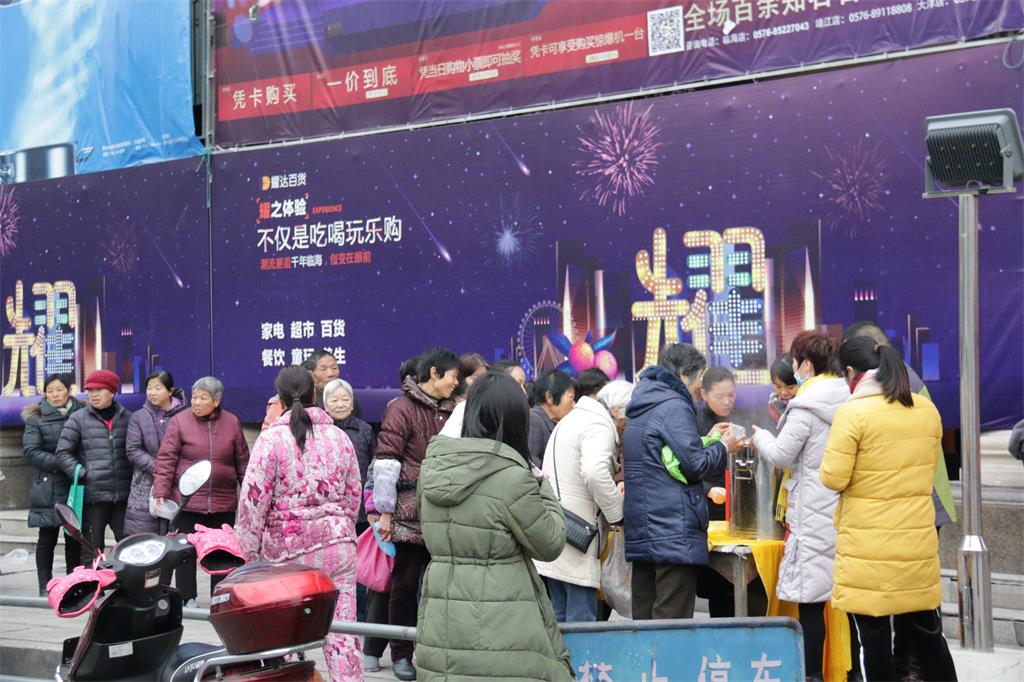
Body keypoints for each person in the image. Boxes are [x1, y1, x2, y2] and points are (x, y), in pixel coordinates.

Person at [416, 371, 573, 681]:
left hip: (442, 623)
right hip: (503, 629)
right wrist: (541, 484)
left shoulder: (432, 470)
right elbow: (551, 543)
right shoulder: (513, 478)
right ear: (515, 420)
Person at [821, 336, 957, 682]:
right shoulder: (925, 409)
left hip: (869, 546)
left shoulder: (853, 412)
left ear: (850, 371)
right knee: (928, 634)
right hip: (915, 542)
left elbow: (833, 478)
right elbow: (928, 470)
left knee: (874, 639)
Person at [237, 366, 363, 682]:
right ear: (315, 394)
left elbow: (252, 504)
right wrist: (340, 528)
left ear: (279, 400)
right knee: (344, 634)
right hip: (338, 550)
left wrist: (250, 557)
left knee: (287, 639)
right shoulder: (339, 437)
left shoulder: (270, 440)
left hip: (287, 557)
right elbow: (353, 494)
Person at [750, 331, 848, 680]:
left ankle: (812, 675)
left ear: (806, 365)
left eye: (794, 362)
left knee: (811, 603)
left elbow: (781, 455)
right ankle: (849, 672)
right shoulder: (847, 396)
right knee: (847, 604)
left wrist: (760, 436)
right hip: (842, 508)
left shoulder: (805, 406)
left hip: (812, 512)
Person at [622, 344, 741, 620]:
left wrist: (707, 439)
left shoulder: (643, 403)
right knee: (672, 623)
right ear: (685, 375)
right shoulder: (675, 405)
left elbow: (666, 456)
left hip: (644, 528)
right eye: (700, 377)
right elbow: (694, 466)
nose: (700, 386)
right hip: (672, 532)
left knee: (645, 620)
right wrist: (724, 447)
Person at [374, 347, 458, 681]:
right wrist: (385, 511)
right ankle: (401, 654)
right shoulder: (401, 408)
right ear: (434, 373)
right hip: (409, 511)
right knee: (405, 584)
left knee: (444, 587)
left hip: (446, 511)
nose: (456, 382)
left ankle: (439, 651)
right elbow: (387, 461)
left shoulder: (455, 410)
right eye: (453, 376)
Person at [536, 378, 631, 622]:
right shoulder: (598, 425)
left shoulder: (574, 419)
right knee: (582, 619)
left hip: (558, 528)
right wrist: (616, 513)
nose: (626, 427)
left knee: (560, 616)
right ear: (617, 411)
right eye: (627, 419)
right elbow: (594, 472)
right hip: (579, 535)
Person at [153, 376, 249, 607]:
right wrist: (161, 490)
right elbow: (166, 459)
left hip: (223, 501)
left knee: (222, 552)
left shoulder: (232, 422)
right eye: (194, 397)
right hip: (188, 501)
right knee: (185, 551)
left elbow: (243, 462)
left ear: (216, 400)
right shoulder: (179, 422)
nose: (196, 402)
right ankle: (187, 597)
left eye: (202, 398)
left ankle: (221, 596)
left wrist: (249, 496)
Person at [54, 369, 133, 564]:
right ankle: (92, 584)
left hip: (123, 498)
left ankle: (125, 584)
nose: (93, 395)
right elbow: (63, 452)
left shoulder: (128, 418)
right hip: (92, 498)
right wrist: (82, 473)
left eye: (99, 390)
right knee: (91, 552)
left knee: (129, 550)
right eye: (90, 391)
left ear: (112, 392)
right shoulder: (78, 418)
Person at [22, 375, 83, 593]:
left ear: (69, 390)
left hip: (76, 483)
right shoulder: (36, 418)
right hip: (48, 484)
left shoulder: (83, 413)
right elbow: (31, 451)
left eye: (59, 390)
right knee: (47, 538)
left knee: (74, 537)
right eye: (50, 391)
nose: (55, 395)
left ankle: (74, 584)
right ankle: (45, 586)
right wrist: (64, 463)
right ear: (45, 394)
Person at [124, 371, 187, 535]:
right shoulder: (138, 417)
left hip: (179, 483)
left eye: (158, 388)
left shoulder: (185, 416)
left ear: (170, 391)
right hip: (145, 485)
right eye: (149, 388)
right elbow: (133, 450)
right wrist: (161, 470)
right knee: (145, 539)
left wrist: (174, 472)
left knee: (177, 537)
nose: (152, 392)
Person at [696, 367, 759, 521]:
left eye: (731, 395)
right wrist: (708, 490)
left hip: (743, 500)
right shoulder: (694, 422)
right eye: (719, 396)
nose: (726, 402)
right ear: (704, 394)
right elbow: (686, 467)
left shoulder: (747, 417)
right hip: (708, 504)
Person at [261, 349, 341, 430]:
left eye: (334, 368)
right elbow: (268, 432)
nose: (331, 374)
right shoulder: (287, 398)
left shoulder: (345, 394)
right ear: (310, 374)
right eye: (323, 369)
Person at [528, 370, 575, 467]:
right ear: (550, 397)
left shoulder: (554, 422)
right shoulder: (534, 420)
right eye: (571, 397)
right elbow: (531, 462)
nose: (573, 405)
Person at [765, 353, 798, 428]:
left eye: (790, 387)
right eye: (778, 386)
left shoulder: (809, 408)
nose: (783, 393)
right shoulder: (770, 407)